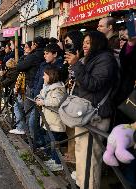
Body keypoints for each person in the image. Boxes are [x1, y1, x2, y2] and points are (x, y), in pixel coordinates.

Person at [65, 31, 118, 189]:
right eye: (84, 42)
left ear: (98, 43)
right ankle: (81, 184)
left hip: (96, 115)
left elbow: (94, 84)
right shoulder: (90, 59)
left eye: (88, 42)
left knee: (91, 158)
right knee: (82, 154)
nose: (84, 45)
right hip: (86, 114)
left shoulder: (106, 59)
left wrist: (77, 65)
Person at [35, 65, 67, 171]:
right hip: (49, 120)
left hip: (55, 121)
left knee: (55, 143)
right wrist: (38, 98)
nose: (43, 77)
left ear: (51, 76)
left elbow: (56, 101)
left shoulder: (58, 88)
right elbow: (41, 94)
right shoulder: (47, 87)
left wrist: (43, 102)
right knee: (51, 141)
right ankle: (53, 160)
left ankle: (58, 163)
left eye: (45, 75)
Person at [62, 30, 84, 163]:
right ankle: (70, 154)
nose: (67, 45)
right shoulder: (69, 56)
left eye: (69, 41)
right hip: (70, 95)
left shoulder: (82, 58)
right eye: (65, 42)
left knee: (77, 131)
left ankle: (74, 158)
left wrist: (75, 63)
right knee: (70, 129)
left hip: (79, 98)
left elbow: (82, 78)